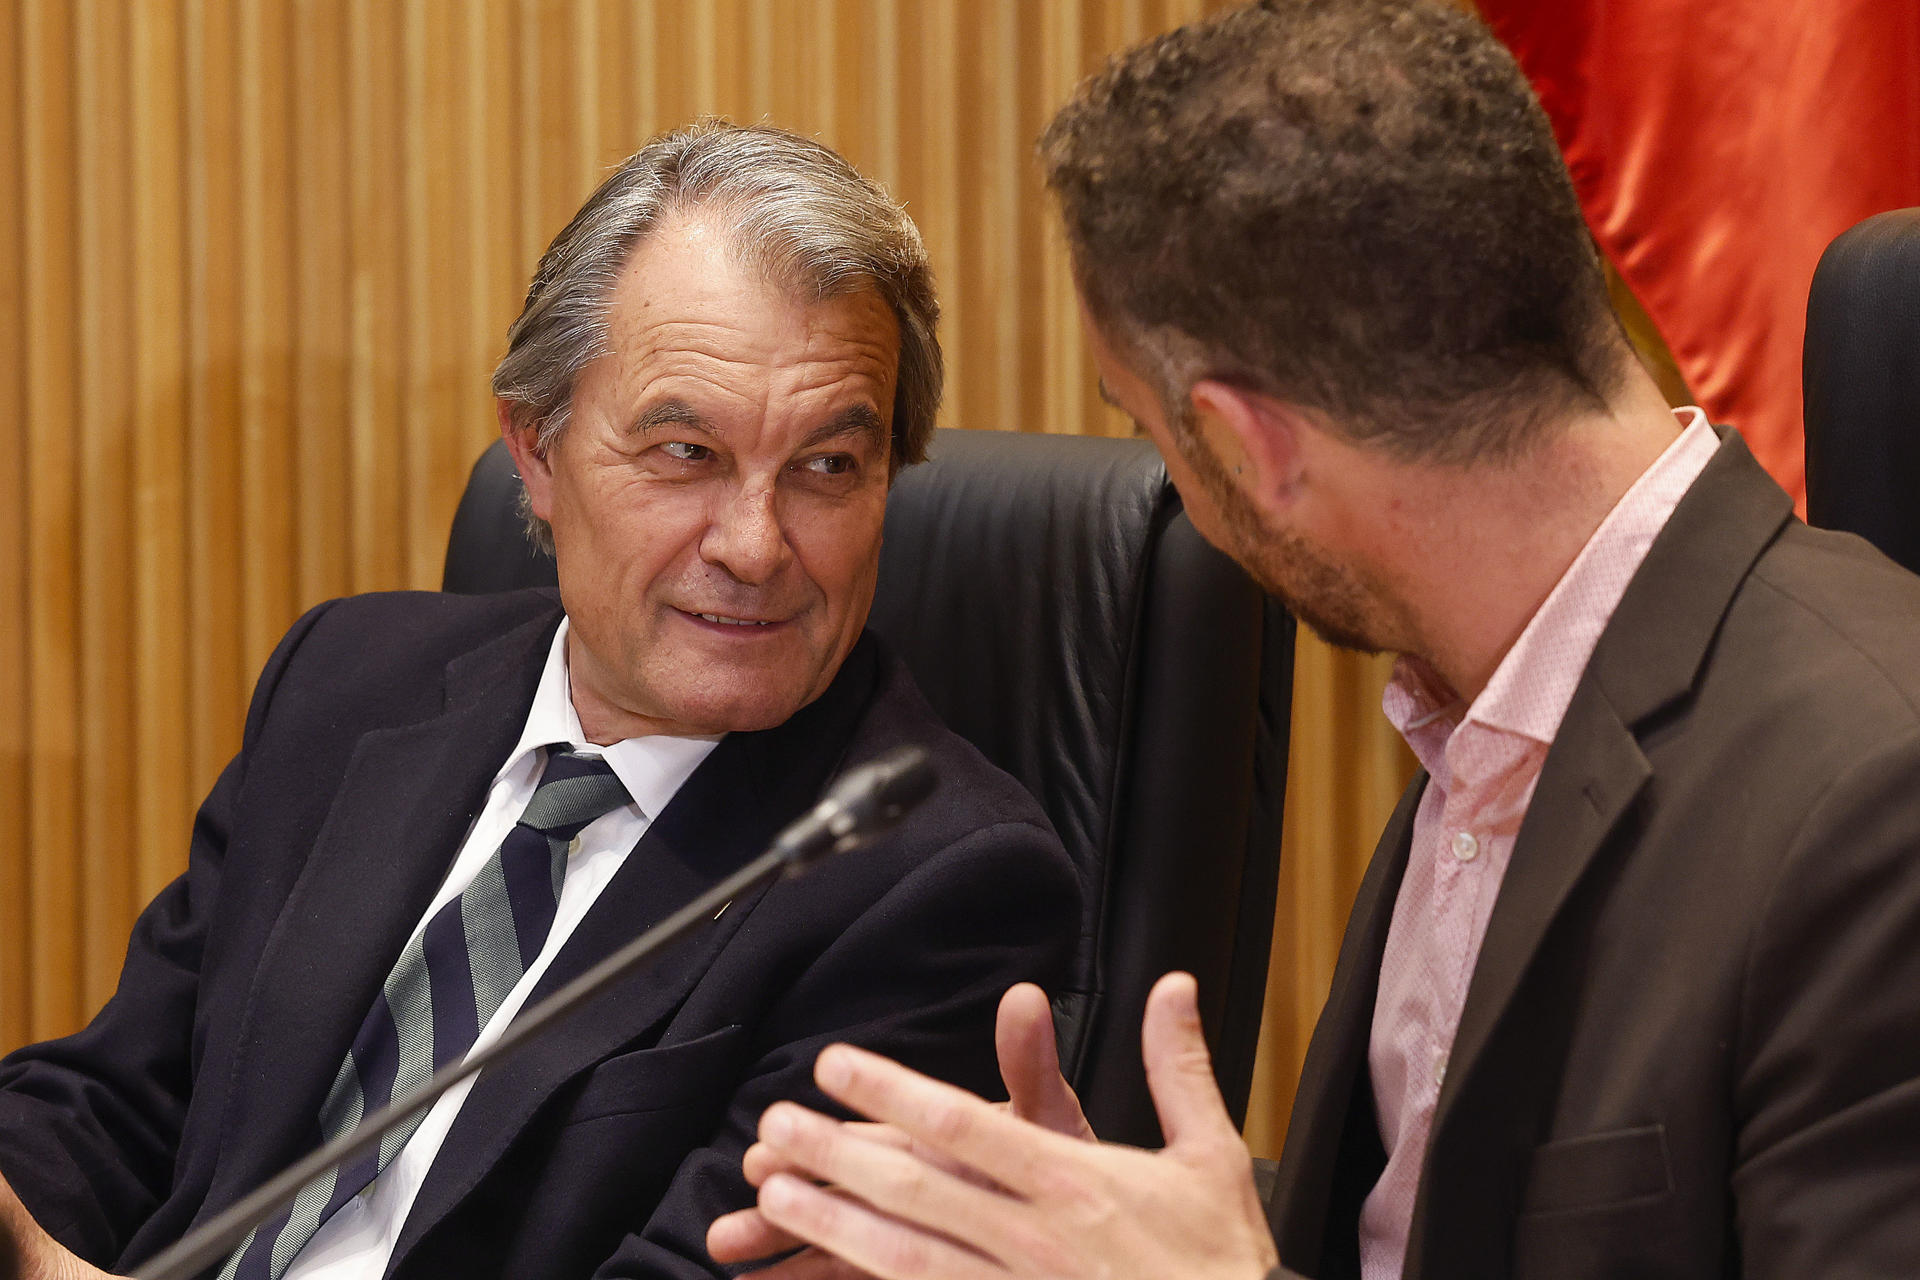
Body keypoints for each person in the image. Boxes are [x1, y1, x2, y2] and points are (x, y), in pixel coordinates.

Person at [707, 2, 1920, 1278]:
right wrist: (1071, 1226)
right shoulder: (1495, 701)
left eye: (1146, 421)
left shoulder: (1876, 808)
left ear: (1254, 446)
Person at [0, 121, 1079, 1280]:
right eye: (685, 452)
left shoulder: (943, 888)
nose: (758, 545)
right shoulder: (350, 680)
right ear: (539, 452)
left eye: (827, 467)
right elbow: (112, 1104)